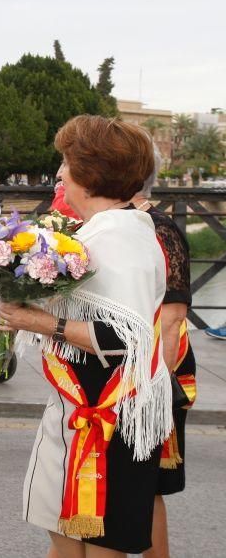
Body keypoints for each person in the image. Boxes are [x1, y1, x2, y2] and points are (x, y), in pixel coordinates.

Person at [0, 115, 172, 556]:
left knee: (98, 546)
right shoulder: (110, 230)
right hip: (84, 409)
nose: (59, 173)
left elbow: (122, 339)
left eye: (66, 163)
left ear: (90, 175)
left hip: (108, 417)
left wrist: (37, 322)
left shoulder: (118, 239)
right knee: (66, 536)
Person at [131, 157, 196, 558]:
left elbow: (171, 319)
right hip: (135, 367)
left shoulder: (159, 227)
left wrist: (155, 389)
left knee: (149, 485)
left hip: (156, 368)